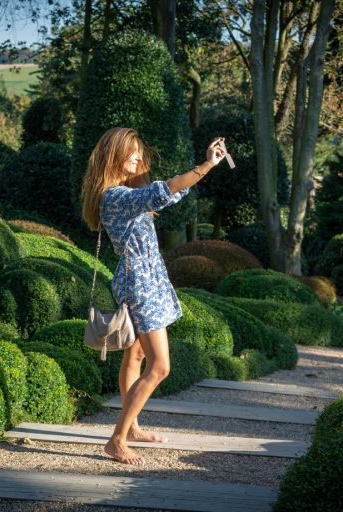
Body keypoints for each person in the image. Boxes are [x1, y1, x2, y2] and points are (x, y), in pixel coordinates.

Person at [80, 127, 226, 465]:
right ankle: (116, 439)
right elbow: (167, 189)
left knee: (135, 359)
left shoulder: (125, 195)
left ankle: (131, 428)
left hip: (143, 280)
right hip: (140, 284)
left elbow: (170, 194)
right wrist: (206, 166)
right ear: (112, 156)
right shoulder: (115, 197)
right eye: (131, 152)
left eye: (139, 153)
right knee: (160, 367)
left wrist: (204, 168)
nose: (138, 158)